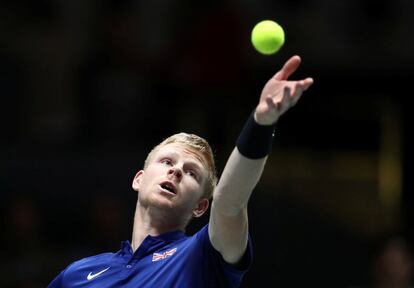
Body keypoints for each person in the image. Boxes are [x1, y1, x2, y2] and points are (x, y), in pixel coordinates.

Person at [48, 55, 313, 287]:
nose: (175, 171)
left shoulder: (203, 257)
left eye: (191, 173)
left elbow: (229, 202)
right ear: (138, 179)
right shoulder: (77, 276)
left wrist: (261, 122)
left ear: (200, 207)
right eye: (166, 162)